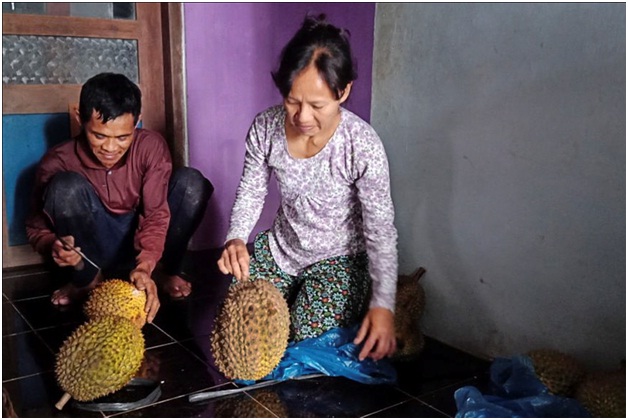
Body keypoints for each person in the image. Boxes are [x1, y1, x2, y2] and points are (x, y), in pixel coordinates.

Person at [217, 14, 399, 361]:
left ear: (343, 91)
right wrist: (236, 237)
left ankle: (348, 299)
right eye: (291, 100)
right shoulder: (265, 128)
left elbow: (380, 230)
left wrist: (383, 303)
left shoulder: (362, 146)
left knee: (306, 339)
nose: (302, 117)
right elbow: (253, 189)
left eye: (317, 105)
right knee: (243, 321)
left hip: (339, 260)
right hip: (283, 249)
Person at [26, 72, 213, 323]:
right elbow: (36, 229)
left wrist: (145, 266)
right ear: (80, 119)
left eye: (123, 137)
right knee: (64, 187)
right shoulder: (57, 161)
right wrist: (55, 246)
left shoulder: (151, 147)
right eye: (99, 135)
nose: (110, 148)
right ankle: (87, 281)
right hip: (94, 249)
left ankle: (163, 271)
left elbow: (156, 215)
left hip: (139, 241)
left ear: (137, 122)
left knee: (191, 184)